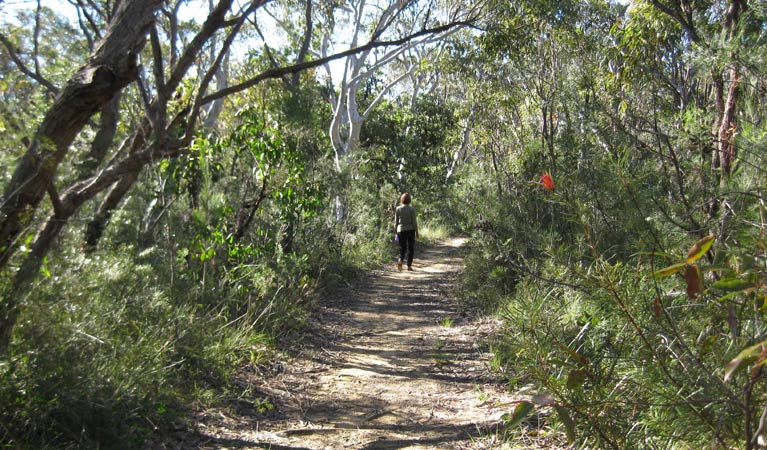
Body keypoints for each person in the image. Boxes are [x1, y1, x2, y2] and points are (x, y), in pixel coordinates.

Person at [394, 193, 418, 271]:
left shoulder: (398, 209)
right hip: (411, 230)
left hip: (401, 230)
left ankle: (400, 260)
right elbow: (414, 222)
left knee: (402, 248)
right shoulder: (412, 209)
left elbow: (396, 222)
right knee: (410, 248)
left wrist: (395, 232)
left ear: (402, 200)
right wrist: (417, 232)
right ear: (409, 200)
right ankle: (409, 266)